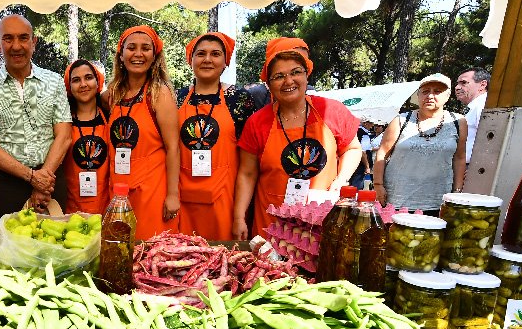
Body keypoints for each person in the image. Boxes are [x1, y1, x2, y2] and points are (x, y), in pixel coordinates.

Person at [233, 37, 361, 240]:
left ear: (306, 75)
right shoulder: (257, 123)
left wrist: (341, 179)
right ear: (269, 84)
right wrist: (239, 217)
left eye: (295, 72)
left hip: (320, 223)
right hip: (271, 225)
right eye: (279, 76)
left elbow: (352, 148)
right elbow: (247, 174)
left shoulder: (331, 110)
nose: (288, 81)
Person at [0, 14, 71, 216]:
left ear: (33, 42)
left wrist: (43, 180)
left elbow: (64, 135)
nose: (16, 46)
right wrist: (33, 177)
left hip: (51, 180)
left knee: (56, 235)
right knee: (11, 237)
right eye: (8, 39)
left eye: (23, 38)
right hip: (9, 185)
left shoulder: (54, 81)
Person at [176, 32, 258, 239]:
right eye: (201, 54)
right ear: (190, 60)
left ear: (225, 61)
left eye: (215, 54)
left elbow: (249, 163)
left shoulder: (239, 99)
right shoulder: (176, 98)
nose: (207, 59)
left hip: (225, 199)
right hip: (181, 199)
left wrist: (240, 215)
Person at [103, 25, 181, 240]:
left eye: (145, 48)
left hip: (152, 192)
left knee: (150, 250)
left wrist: (172, 195)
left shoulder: (159, 94)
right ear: (121, 55)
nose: (138, 54)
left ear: (154, 56)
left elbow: (173, 147)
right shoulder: (113, 94)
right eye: (131, 48)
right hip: (119, 191)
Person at [373, 73, 467, 215]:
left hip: (438, 201)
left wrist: (457, 192)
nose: (430, 96)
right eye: (425, 91)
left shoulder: (458, 121)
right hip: (397, 200)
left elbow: (459, 157)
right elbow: (382, 153)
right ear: (418, 95)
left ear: (447, 96)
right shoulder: (401, 120)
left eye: (437, 91)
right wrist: (378, 185)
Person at [62, 59, 110, 215]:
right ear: (69, 87)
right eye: (76, 80)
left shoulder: (111, 117)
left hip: (107, 208)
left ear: (98, 82)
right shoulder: (62, 122)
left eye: (88, 78)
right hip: (71, 210)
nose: (83, 84)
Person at [454, 67, 490, 163]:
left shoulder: (483, 105)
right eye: (457, 83)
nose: (457, 87)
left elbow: (490, 141)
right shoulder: (475, 106)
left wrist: (475, 167)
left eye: (463, 83)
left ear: (482, 85)